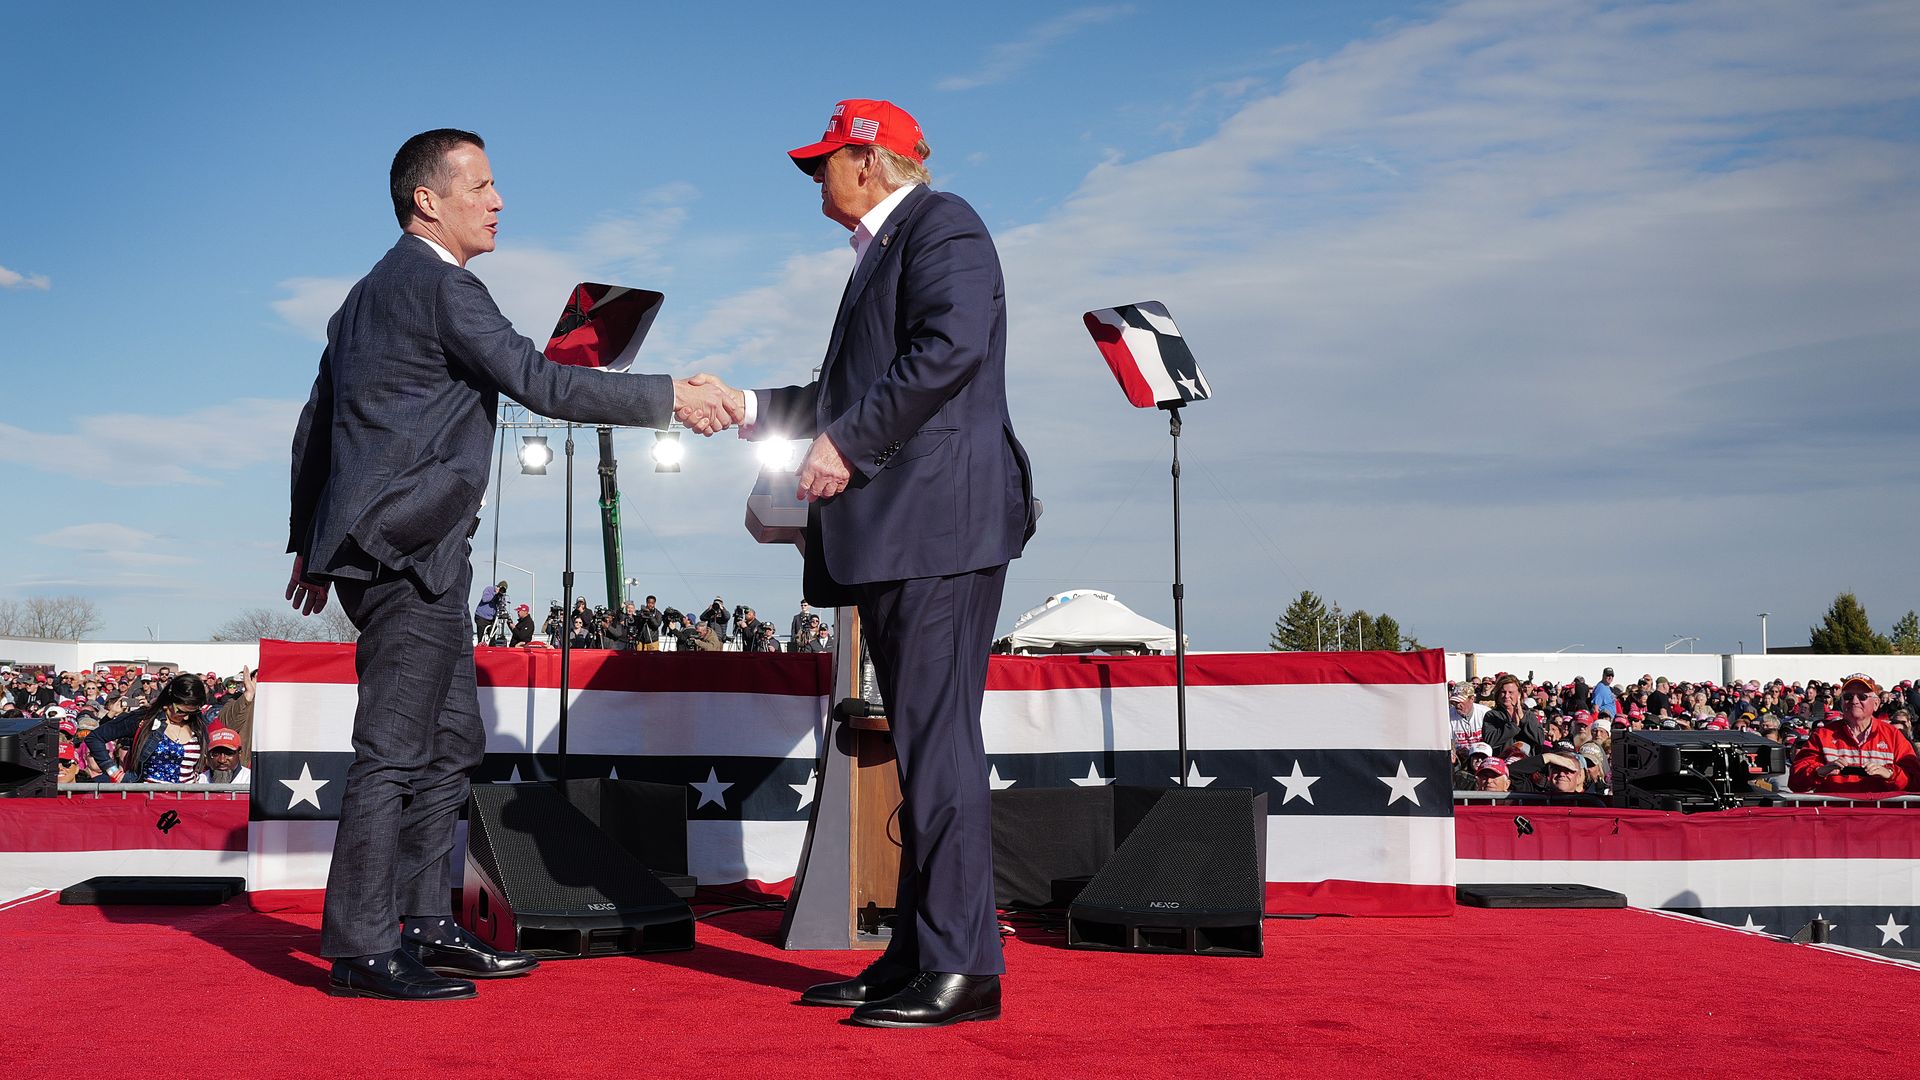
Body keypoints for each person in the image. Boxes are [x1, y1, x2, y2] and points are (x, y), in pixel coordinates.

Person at [284, 128, 741, 1002]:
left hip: (396, 548)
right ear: (429, 200)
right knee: (394, 751)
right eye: (483, 185)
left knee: (452, 740)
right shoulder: (442, 287)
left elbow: (316, 423)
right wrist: (670, 398)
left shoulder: (362, 297)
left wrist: (310, 539)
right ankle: (361, 947)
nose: (498, 201)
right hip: (407, 551)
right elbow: (544, 383)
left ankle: (424, 924)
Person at [718, 99, 1037, 1027]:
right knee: (924, 751)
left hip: (939, 529)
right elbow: (839, 392)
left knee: (939, 749)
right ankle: (918, 952)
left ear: (869, 162)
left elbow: (949, 350)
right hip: (908, 533)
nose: (816, 179)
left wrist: (848, 445)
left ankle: (965, 967)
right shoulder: (881, 257)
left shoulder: (945, 225)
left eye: (824, 161)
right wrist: (740, 404)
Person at [1788, 674, 1920, 796]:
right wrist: (1819, 771)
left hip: (1881, 818)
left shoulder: (1894, 736)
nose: (1854, 701)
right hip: (1834, 817)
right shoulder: (1822, 735)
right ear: (1841, 703)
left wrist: (1890, 774)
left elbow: (1915, 781)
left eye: (1862, 697)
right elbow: (1795, 781)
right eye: (1848, 697)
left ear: (1876, 704)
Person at [82, 674, 211, 783]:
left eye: (192, 713)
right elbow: (95, 737)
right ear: (169, 700)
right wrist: (114, 772)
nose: (187, 718)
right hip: (148, 804)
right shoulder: (144, 720)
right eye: (181, 711)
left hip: (188, 802)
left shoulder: (198, 724)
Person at [1481, 674, 1546, 759]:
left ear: (1519, 694)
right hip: (1502, 764)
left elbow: (1540, 739)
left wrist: (1523, 719)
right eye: (1503, 692)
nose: (1506, 696)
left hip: (1525, 764)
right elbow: (1490, 741)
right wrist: (1513, 725)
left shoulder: (1529, 715)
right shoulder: (1492, 715)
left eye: (1510, 692)